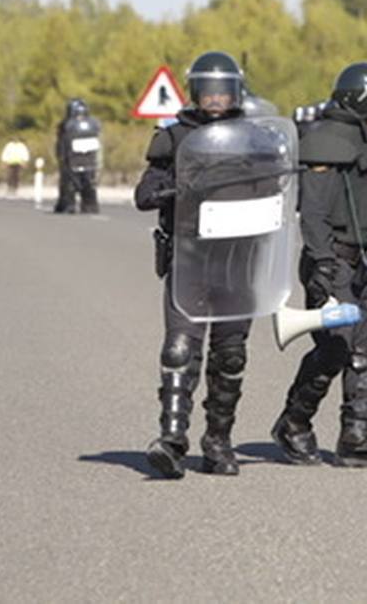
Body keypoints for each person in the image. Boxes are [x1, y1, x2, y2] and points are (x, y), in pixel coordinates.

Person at [271, 61, 367, 469]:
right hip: (334, 265)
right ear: (361, 101)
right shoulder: (326, 141)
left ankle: (355, 440)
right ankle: (293, 423)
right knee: (335, 347)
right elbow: (313, 212)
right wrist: (323, 266)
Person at [134, 52, 253, 479]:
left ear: (236, 91)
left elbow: (279, 189)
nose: (216, 98)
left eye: (224, 90)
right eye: (209, 90)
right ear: (196, 91)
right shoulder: (175, 135)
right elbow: (144, 193)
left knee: (232, 356)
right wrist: (171, 190)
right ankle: (171, 440)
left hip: (239, 262)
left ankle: (218, 442)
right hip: (189, 260)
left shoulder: (252, 136)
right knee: (179, 350)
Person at [55, 98, 101, 214]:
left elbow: (62, 145)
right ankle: (90, 205)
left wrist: (61, 158)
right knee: (89, 186)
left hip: (72, 161)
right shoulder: (94, 124)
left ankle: (69, 205)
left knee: (68, 186)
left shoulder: (67, 125)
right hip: (90, 162)